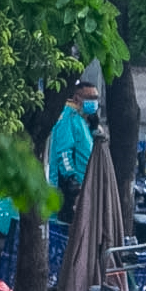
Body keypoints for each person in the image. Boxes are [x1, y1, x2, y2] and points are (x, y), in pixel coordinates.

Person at [48, 77, 101, 219]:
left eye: (96, 98)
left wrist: (94, 127)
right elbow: (64, 151)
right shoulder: (67, 116)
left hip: (83, 184)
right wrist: (71, 179)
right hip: (70, 188)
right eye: (91, 97)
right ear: (77, 99)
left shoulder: (81, 119)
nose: (95, 102)